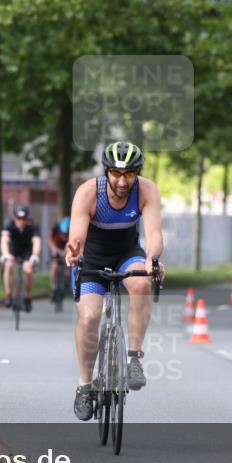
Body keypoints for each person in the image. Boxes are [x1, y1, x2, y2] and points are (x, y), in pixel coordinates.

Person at [65, 141, 164, 421]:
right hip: (93, 257)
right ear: (106, 172)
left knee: (142, 283)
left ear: (137, 173)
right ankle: (85, 385)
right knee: (90, 317)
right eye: (117, 174)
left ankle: (133, 358)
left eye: (129, 175)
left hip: (126, 254)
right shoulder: (88, 192)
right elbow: (77, 238)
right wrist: (73, 253)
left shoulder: (146, 190)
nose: (122, 182)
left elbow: (154, 234)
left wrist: (152, 260)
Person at [0, 205, 42, 312]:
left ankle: (27, 297)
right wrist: (5, 253)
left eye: (23, 219)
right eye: (18, 218)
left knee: (28, 269)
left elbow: (36, 241)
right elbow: (4, 240)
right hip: (13, 250)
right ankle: (8, 294)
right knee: (8, 265)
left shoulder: (33, 225)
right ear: (14, 217)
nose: (21, 221)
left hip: (27, 251)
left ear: (27, 218)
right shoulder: (9, 224)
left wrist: (35, 255)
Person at [49, 216, 71, 302]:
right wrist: (56, 250)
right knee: (54, 266)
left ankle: (67, 281)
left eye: (66, 234)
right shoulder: (55, 229)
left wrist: (66, 252)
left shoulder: (72, 230)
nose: (64, 236)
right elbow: (50, 241)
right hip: (57, 247)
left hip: (67, 247)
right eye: (62, 233)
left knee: (68, 265)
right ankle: (53, 287)